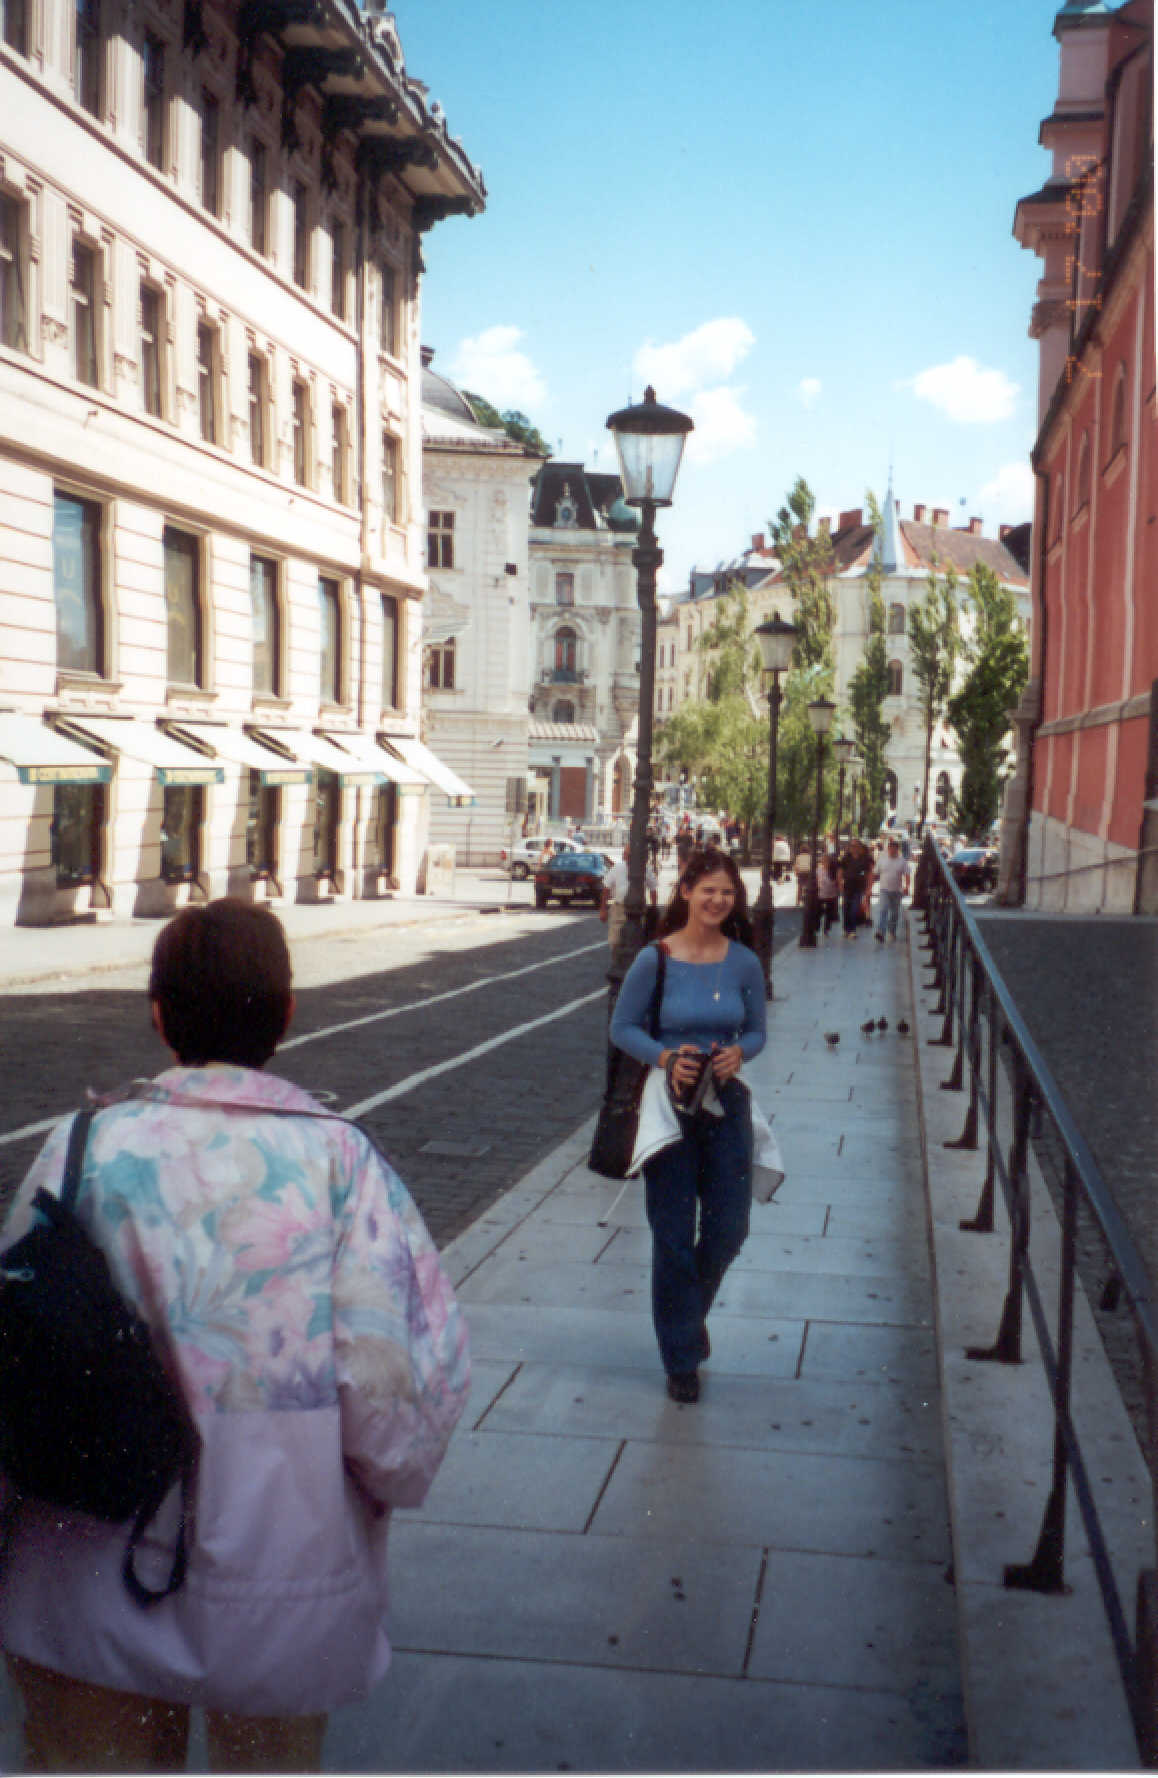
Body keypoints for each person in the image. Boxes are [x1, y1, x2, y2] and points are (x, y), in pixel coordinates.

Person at [0, 899, 468, 1774]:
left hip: (83, 1567)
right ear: (286, 1014)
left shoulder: (83, 1145)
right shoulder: (340, 1162)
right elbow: (394, 1401)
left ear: (158, 1013)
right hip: (281, 1581)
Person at [610, 847, 766, 1404]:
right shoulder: (656, 958)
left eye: (728, 891)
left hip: (726, 1106)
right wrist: (667, 1058)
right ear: (685, 893)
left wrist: (739, 1055)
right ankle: (680, 1358)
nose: (719, 900)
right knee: (673, 1238)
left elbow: (757, 1032)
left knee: (730, 1228)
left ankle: (684, 1318)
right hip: (670, 1108)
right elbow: (623, 1028)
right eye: (709, 890)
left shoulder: (744, 961)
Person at [600, 844, 658, 952]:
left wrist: (653, 908)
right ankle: (616, 962)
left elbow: (653, 889)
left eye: (627, 854)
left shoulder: (645, 869)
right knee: (615, 940)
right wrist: (603, 909)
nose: (624, 856)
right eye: (624, 853)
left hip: (638, 909)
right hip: (619, 909)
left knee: (637, 940)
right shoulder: (617, 868)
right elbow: (606, 888)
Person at [874, 836, 910, 942]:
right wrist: (870, 887)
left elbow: (907, 874)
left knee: (894, 912)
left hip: (897, 890)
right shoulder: (882, 860)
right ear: (888, 849)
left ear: (897, 850)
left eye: (894, 849)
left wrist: (907, 887)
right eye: (890, 849)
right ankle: (881, 931)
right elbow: (875, 873)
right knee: (883, 910)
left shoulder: (902, 861)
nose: (892, 851)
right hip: (884, 889)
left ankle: (892, 931)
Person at [838, 835, 873, 939]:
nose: (854, 848)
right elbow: (840, 871)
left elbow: (869, 874)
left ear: (860, 847)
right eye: (852, 846)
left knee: (854, 908)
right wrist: (840, 883)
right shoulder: (845, 858)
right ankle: (846, 929)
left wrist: (868, 889)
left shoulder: (865, 859)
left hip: (859, 887)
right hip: (847, 887)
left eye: (856, 845)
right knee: (845, 909)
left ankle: (852, 930)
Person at [816, 851, 840, 936]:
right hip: (821, 893)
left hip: (831, 894)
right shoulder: (818, 870)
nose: (825, 862)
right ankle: (818, 925)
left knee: (829, 913)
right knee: (819, 911)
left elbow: (838, 880)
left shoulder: (834, 870)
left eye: (826, 860)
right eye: (823, 860)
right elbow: (816, 880)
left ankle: (826, 929)